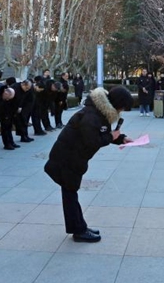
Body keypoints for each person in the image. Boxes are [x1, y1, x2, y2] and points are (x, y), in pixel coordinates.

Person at [44, 86, 133, 243]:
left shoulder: (99, 112)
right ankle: (78, 230)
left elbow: (101, 134)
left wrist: (121, 138)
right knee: (70, 194)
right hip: (67, 159)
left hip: (72, 158)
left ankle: (79, 227)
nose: (122, 110)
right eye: (123, 107)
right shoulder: (92, 116)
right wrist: (111, 137)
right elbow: (93, 141)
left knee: (70, 193)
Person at [0, 86, 20, 150]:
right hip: (3, 116)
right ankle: (7, 144)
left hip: (9, 115)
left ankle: (11, 142)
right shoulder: (0, 99)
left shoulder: (11, 98)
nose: (9, 99)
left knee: (9, 129)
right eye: (8, 98)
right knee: (5, 130)